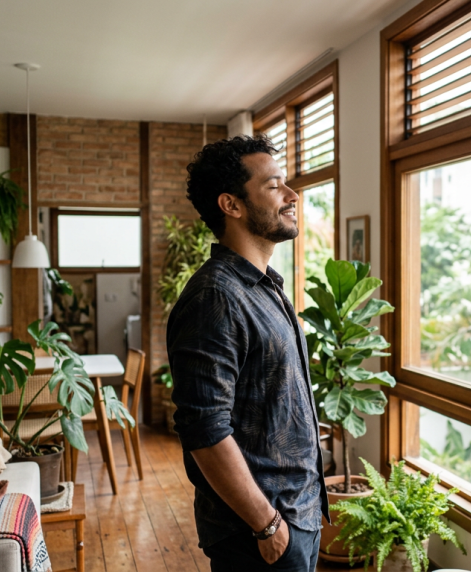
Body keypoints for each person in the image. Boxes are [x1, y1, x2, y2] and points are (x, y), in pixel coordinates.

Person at [166, 135, 328, 572]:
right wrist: (266, 525)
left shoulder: (264, 286)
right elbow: (204, 428)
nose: (292, 195)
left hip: (296, 515)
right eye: (274, 185)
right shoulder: (215, 297)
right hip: (258, 531)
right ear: (231, 204)